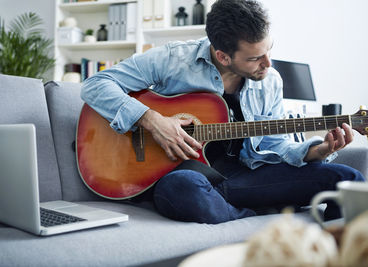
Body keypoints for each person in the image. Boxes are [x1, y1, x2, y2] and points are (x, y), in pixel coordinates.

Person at [81, 0, 365, 224]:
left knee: (348, 179)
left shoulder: (270, 80)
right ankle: (252, 214)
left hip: (241, 178)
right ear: (222, 56)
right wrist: (152, 120)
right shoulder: (174, 59)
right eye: (255, 58)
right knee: (182, 188)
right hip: (186, 176)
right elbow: (95, 84)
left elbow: (271, 145)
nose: (268, 64)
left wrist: (316, 151)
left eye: (269, 50)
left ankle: (337, 249)